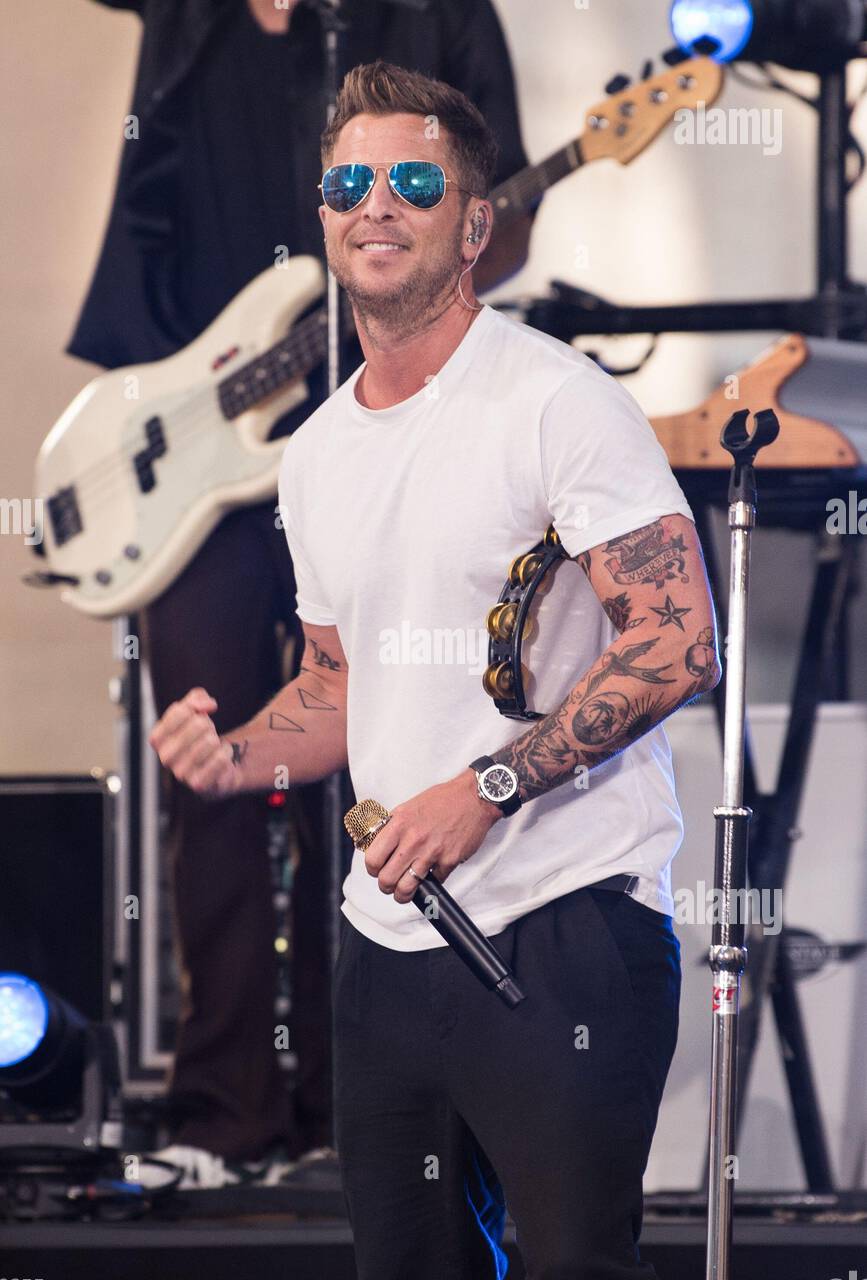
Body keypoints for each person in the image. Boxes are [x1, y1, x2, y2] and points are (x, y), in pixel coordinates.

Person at [150, 60, 722, 1280]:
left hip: (566, 922)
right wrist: (238, 753)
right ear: (322, 215)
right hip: (388, 947)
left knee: (575, 1278)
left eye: (413, 180)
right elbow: (340, 679)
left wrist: (488, 785)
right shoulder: (311, 456)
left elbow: (678, 642)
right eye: (348, 181)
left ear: (474, 226)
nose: (376, 203)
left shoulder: (555, 403)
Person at [70, 0, 532, 1171]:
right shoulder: (188, 20)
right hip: (199, 462)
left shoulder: (433, 16)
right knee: (214, 766)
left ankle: (354, 1112)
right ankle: (225, 1110)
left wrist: (423, 234)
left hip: (374, 433)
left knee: (378, 757)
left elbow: (509, 218)